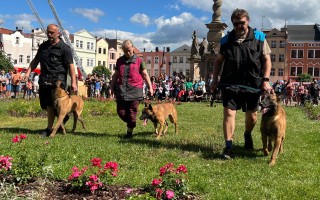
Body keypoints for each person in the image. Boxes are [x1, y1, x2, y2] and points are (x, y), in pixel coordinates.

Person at [211, 9, 272, 159]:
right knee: (229, 113)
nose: (239, 26)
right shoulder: (225, 40)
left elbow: (266, 60)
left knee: (252, 117)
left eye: (242, 23)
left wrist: (265, 80)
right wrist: (214, 80)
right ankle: (229, 147)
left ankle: (247, 133)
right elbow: (218, 61)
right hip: (230, 83)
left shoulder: (259, 37)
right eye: (236, 23)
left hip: (252, 83)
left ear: (248, 21)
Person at [24, 24, 78, 137]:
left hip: (58, 82)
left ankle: (49, 129)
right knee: (45, 104)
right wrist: (28, 72)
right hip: (45, 79)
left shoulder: (65, 48)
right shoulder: (43, 46)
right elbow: (36, 60)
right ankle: (63, 117)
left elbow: (71, 66)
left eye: (52, 32)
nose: (49, 34)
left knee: (50, 104)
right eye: (48, 32)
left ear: (58, 33)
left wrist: (73, 82)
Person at [109, 40, 153, 138]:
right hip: (122, 90)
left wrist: (150, 87)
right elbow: (115, 75)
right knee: (121, 112)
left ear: (133, 48)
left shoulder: (139, 61)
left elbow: (145, 74)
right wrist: (111, 87)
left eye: (129, 50)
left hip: (135, 90)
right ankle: (131, 122)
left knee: (132, 112)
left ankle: (129, 133)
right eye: (125, 51)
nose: (127, 53)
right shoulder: (119, 61)